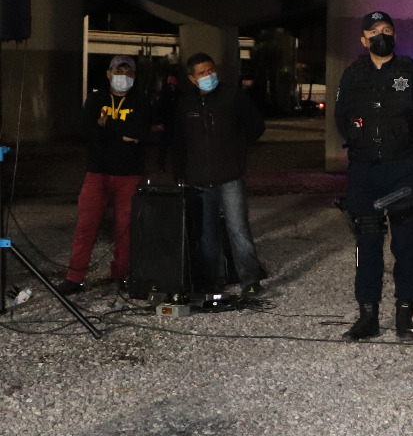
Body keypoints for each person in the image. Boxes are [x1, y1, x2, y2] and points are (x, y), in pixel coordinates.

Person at [334, 11, 413, 341]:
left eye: (387, 29)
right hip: (365, 173)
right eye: (374, 31)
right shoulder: (353, 75)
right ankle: (368, 316)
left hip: (402, 170)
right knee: (367, 245)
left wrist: (412, 151)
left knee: (405, 244)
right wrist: (361, 147)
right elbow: (341, 117)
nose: (382, 35)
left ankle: (405, 315)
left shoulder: (412, 72)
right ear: (363, 40)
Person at [172, 52, 266, 297]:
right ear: (192, 79)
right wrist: (179, 173)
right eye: (202, 73)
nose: (208, 75)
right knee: (207, 234)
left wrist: (237, 149)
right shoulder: (186, 103)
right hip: (199, 179)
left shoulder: (232, 95)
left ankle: (250, 280)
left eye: (210, 70)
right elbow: (179, 141)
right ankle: (211, 282)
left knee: (238, 229)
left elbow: (256, 126)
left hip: (230, 175)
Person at [58, 55, 151, 294]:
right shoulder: (96, 98)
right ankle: (75, 277)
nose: (123, 77)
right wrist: (122, 134)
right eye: (119, 72)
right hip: (97, 171)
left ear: (134, 76)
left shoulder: (140, 101)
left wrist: (106, 125)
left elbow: (141, 132)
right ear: (109, 74)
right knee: (86, 225)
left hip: (129, 174)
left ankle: (119, 275)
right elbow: (86, 131)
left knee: (125, 228)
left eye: (128, 73)